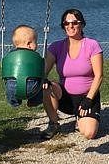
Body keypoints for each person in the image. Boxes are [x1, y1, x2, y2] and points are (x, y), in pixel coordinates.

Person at [41, 8, 103, 140]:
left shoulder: (92, 45)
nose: (70, 26)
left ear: (82, 24)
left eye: (74, 22)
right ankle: (53, 123)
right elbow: (43, 71)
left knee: (89, 134)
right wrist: (44, 79)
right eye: (66, 23)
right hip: (65, 97)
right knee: (46, 87)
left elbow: (99, 76)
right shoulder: (55, 47)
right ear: (63, 26)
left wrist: (89, 99)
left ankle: (80, 118)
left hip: (86, 98)